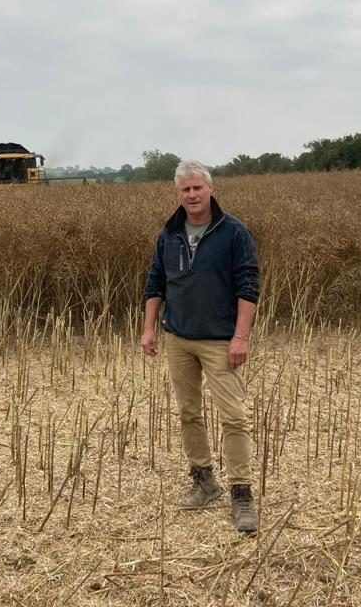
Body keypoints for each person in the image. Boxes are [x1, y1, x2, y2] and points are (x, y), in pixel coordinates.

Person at [141, 160, 261, 534]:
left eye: (197, 188)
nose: (191, 195)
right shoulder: (169, 233)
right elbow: (155, 283)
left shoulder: (233, 232)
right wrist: (149, 330)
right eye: (185, 190)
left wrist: (240, 337)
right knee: (188, 412)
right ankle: (204, 480)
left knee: (234, 416)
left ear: (210, 189)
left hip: (220, 340)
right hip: (178, 338)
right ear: (178, 193)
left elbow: (248, 286)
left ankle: (242, 494)